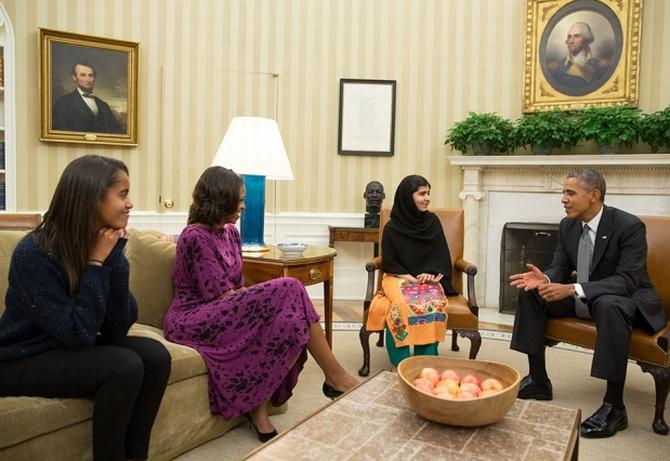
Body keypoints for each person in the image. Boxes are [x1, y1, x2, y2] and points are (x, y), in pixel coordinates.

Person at [164, 166, 358, 442]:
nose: (243, 205)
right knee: (290, 287)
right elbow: (218, 294)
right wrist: (262, 305)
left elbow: (237, 287)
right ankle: (336, 377)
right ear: (221, 199)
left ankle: (259, 408)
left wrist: (262, 306)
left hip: (224, 308)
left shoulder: (231, 232)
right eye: (239, 199)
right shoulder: (193, 236)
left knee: (291, 320)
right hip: (194, 317)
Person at [0, 155, 171, 461]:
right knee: (123, 365)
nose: (130, 203)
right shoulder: (34, 253)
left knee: (156, 356)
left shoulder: (98, 242)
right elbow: (78, 333)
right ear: (92, 198)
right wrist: (95, 264)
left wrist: (114, 258)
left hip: (63, 345)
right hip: (20, 357)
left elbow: (119, 325)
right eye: (122, 194)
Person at [509, 168, 666, 439]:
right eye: (563, 192)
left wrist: (572, 288)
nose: (563, 199)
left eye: (570, 193)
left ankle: (614, 406)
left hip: (625, 299)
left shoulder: (629, 226)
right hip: (586, 296)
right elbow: (560, 266)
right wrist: (545, 278)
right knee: (530, 293)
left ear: (594, 195)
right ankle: (538, 380)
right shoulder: (568, 225)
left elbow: (627, 281)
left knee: (609, 305)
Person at [365, 174, 458, 367]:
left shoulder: (432, 222)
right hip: (397, 277)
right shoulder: (392, 227)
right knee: (399, 306)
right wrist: (411, 279)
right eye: (422, 194)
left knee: (432, 304)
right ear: (408, 197)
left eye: (428, 193)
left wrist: (429, 274)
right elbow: (390, 262)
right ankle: (402, 364)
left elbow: (441, 256)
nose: (427, 198)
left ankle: (425, 362)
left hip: (428, 280)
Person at [52, 62, 124, 134]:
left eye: (91, 75)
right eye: (83, 75)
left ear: (94, 78)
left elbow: (118, 133)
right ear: (74, 77)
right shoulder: (63, 104)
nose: (88, 80)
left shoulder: (103, 106)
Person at [547, 22, 609, 89]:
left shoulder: (601, 66)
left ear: (586, 40)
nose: (571, 41)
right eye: (569, 37)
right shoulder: (555, 68)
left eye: (576, 36)